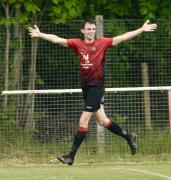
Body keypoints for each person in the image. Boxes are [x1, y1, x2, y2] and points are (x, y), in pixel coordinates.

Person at [29, 19, 157, 165]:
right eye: (88, 29)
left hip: (97, 86)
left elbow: (122, 37)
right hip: (86, 87)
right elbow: (57, 40)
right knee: (103, 121)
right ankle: (129, 137)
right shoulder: (77, 44)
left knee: (83, 120)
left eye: (93, 29)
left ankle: (70, 156)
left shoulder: (102, 43)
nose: (91, 31)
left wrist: (141, 29)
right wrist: (40, 34)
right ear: (82, 31)